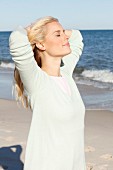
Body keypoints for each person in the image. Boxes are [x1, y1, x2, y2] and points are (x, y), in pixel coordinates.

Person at [9, 16, 86, 170]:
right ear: (41, 44)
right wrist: (35, 29)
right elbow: (16, 39)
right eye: (58, 35)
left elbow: (77, 37)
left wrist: (55, 31)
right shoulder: (37, 81)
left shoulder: (66, 73)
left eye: (64, 32)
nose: (65, 37)